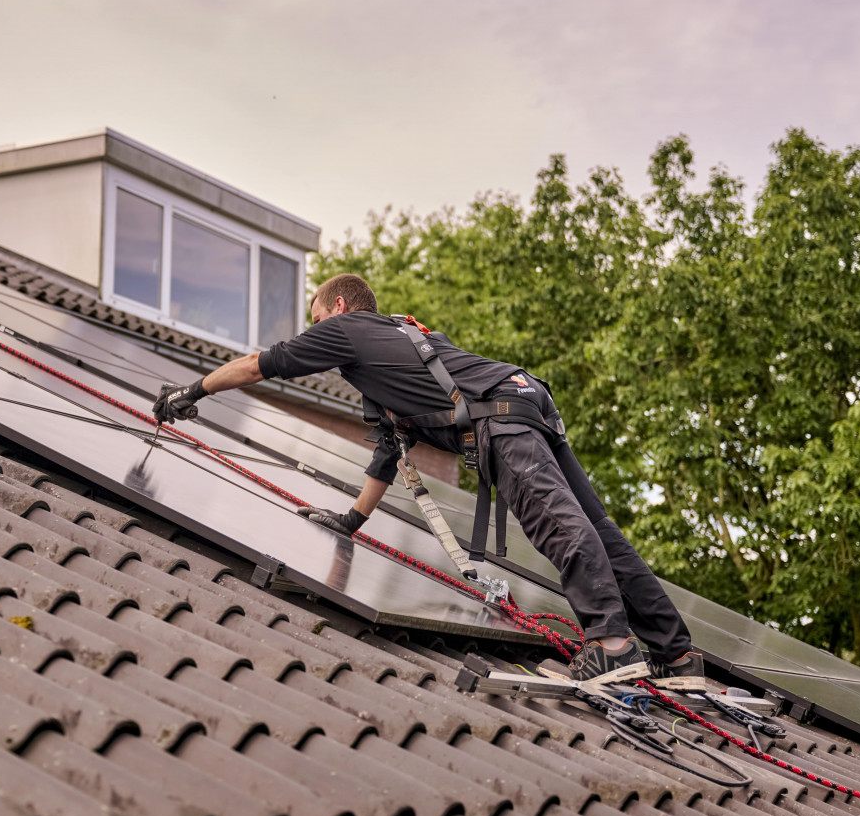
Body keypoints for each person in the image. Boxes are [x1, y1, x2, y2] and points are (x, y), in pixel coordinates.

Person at [153, 273, 704, 689]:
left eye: (316, 319)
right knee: (598, 531)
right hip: (525, 403)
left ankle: (611, 644)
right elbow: (388, 457)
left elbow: (258, 366)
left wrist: (194, 391)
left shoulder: (347, 330)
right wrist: (350, 521)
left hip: (501, 417)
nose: (314, 333)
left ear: (339, 307)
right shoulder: (397, 351)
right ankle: (677, 656)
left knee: (557, 525)